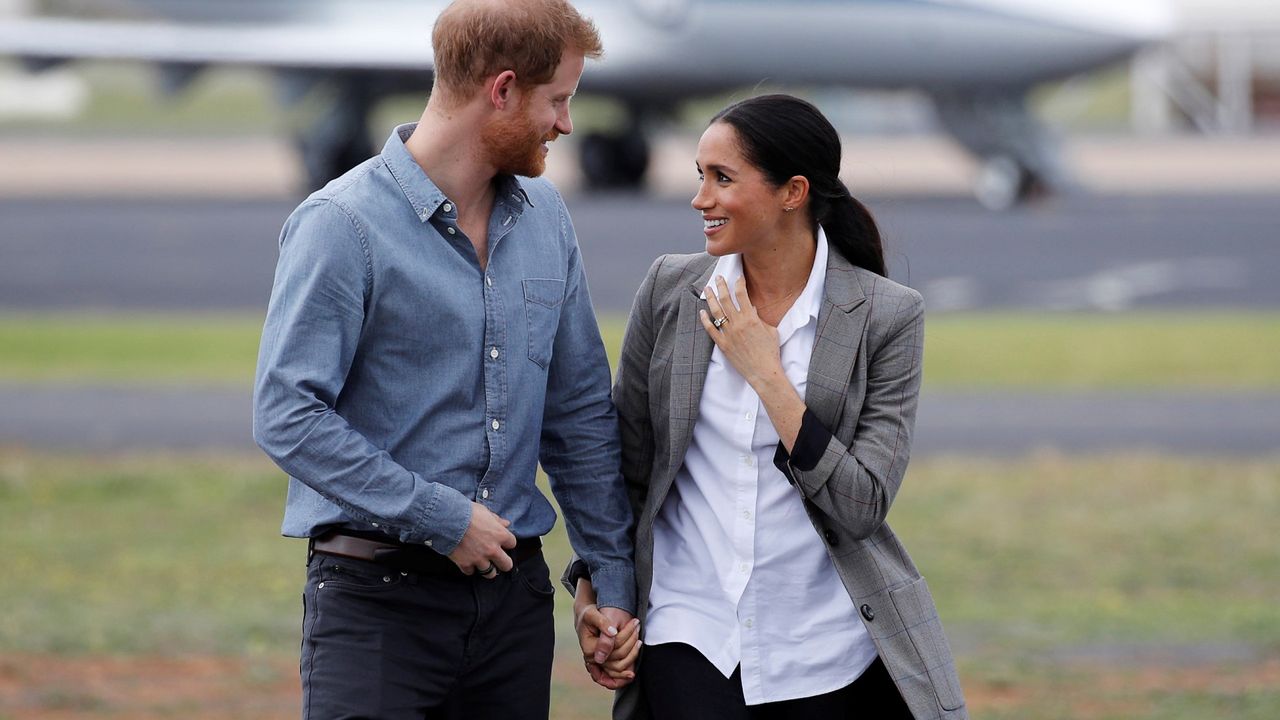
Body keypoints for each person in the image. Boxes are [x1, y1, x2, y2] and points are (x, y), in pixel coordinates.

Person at [252, 1, 636, 717]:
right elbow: (287, 414)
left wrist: (608, 579)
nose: (566, 124)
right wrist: (441, 516)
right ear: (502, 89)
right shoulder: (341, 225)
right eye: (558, 100)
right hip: (377, 609)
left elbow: (578, 413)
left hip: (514, 608)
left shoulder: (547, 218)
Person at [568, 94, 968, 719]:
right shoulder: (671, 291)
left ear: (793, 192)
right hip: (690, 637)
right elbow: (628, 471)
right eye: (701, 175)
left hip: (824, 653)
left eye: (722, 178)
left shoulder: (887, 316)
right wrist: (596, 590)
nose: (701, 198)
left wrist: (767, 374)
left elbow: (862, 505)